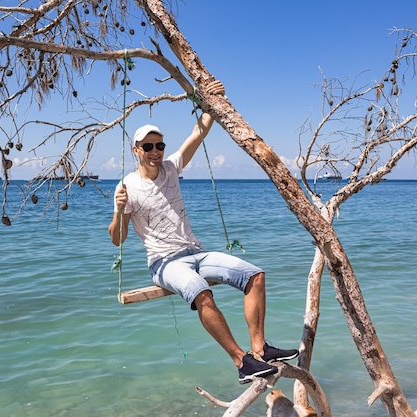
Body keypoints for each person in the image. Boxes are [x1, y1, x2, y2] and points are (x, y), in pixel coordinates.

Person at [108, 80, 298, 384]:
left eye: (159, 146)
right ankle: (241, 362)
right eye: (148, 147)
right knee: (203, 294)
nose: (155, 151)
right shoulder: (126, 187)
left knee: (255, 276)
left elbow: (198, 133)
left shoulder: (171, 167)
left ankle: (260, 350)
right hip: (163, 263)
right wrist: (119, 210)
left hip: (196, 252)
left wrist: (213, 99)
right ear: (136, 150)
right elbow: (117, 239)